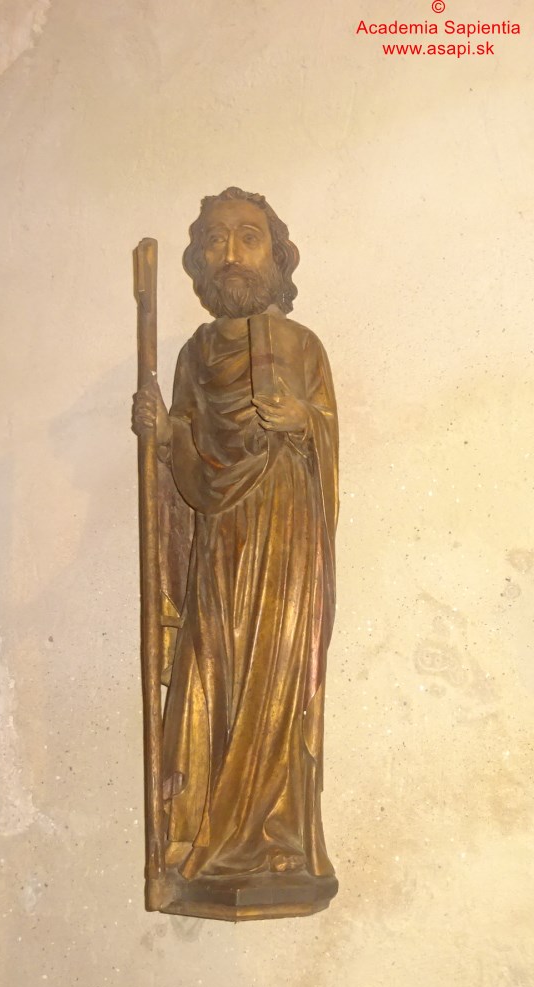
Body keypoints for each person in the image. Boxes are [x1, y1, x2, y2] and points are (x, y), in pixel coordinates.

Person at [132, 187, 338, 919]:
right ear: (199, 262)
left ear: (276, 258)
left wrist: (302, 422)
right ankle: (202, 838)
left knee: (274, 679)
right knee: (209, 672)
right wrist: (163, 435)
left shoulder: (302, 346)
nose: (231, 253)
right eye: (216, 240)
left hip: (284, 538)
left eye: (248, 237)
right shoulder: (193, 354)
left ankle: (277, 838)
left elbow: (327, 445)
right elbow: (190, 464)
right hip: (220, 546)